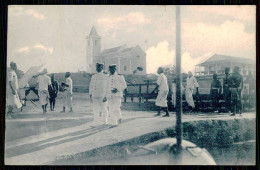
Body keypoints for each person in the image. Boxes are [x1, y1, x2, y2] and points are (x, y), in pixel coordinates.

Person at [89, 63, 108, 127]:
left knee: (104, 109)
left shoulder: (106, 76)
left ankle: (105, 121)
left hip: (102, 95)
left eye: (99, 67)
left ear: (102, 67)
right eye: (96, 67)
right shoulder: (93, 76)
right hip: (94, 95)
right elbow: (91, 86)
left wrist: (106, 96)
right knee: (95, 109)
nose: (97, 68)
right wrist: (90, 94)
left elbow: (108, 87)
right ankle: (96, 122)